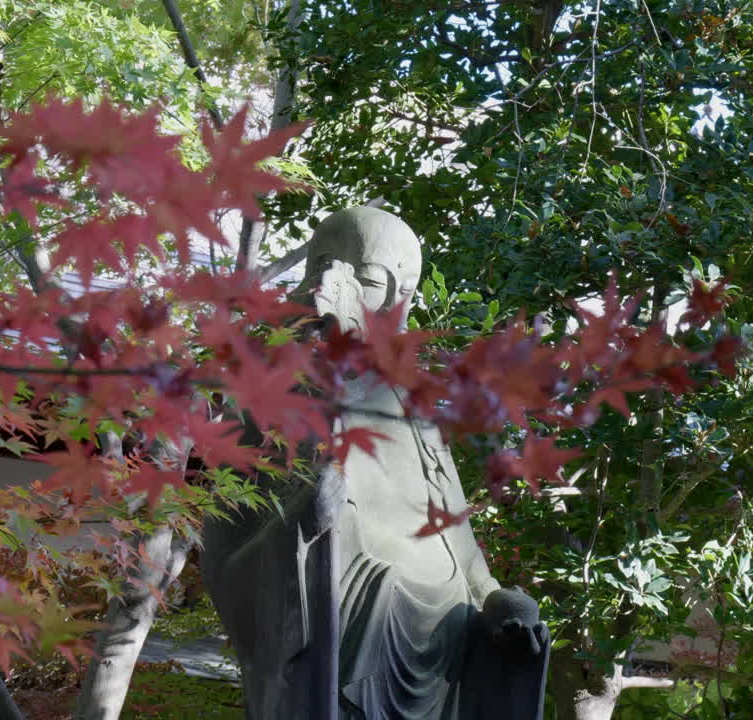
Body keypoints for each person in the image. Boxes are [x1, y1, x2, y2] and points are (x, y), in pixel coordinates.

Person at [200, 207, 550, 720]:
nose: (338, 286)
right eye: (326, 268)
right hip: (351, 653)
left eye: (383, 285)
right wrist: (303, 520)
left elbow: (464, 551)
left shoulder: (412, 408)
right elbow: (228, 555)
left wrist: (499, 605)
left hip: (445, 648)